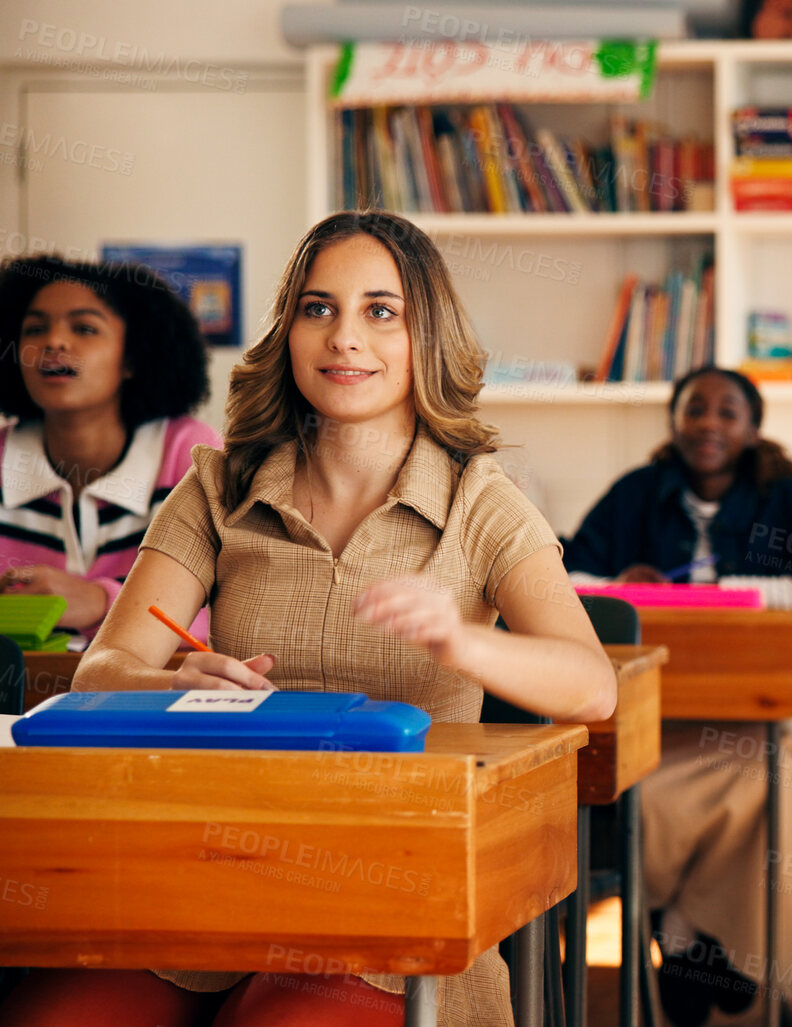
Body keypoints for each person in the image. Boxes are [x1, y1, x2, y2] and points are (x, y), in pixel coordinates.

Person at [0, 211, 615, 1027]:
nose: (343, 338)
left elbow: (592, 687)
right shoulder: (216, 486)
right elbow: (100, 671)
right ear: (288, 331)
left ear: (423, 336)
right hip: (210, 882)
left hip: (391, 901)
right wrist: (171, 677)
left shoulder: (482, 501)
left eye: (380, 311)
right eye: (317, 308)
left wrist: (463, 639)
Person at [563, 365, 792, 1027]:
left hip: (745, 715)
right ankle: (712, 946)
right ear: (675, 419)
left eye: (728, 412)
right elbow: (559, 579)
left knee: (773, 769)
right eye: (694, 407)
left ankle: (680, 933)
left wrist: (740, 591)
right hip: (645, 718)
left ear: (752, 429)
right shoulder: (636, 493)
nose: (708, 423)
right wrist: (618, 581)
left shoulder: (790, 501)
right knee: (771, 781)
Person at [0, 255, 219, 641]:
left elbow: (221, 610)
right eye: (35, 329)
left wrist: (98, 601)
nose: (52, 341)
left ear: (133, 358)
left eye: (84, 328)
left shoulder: (188, 452)